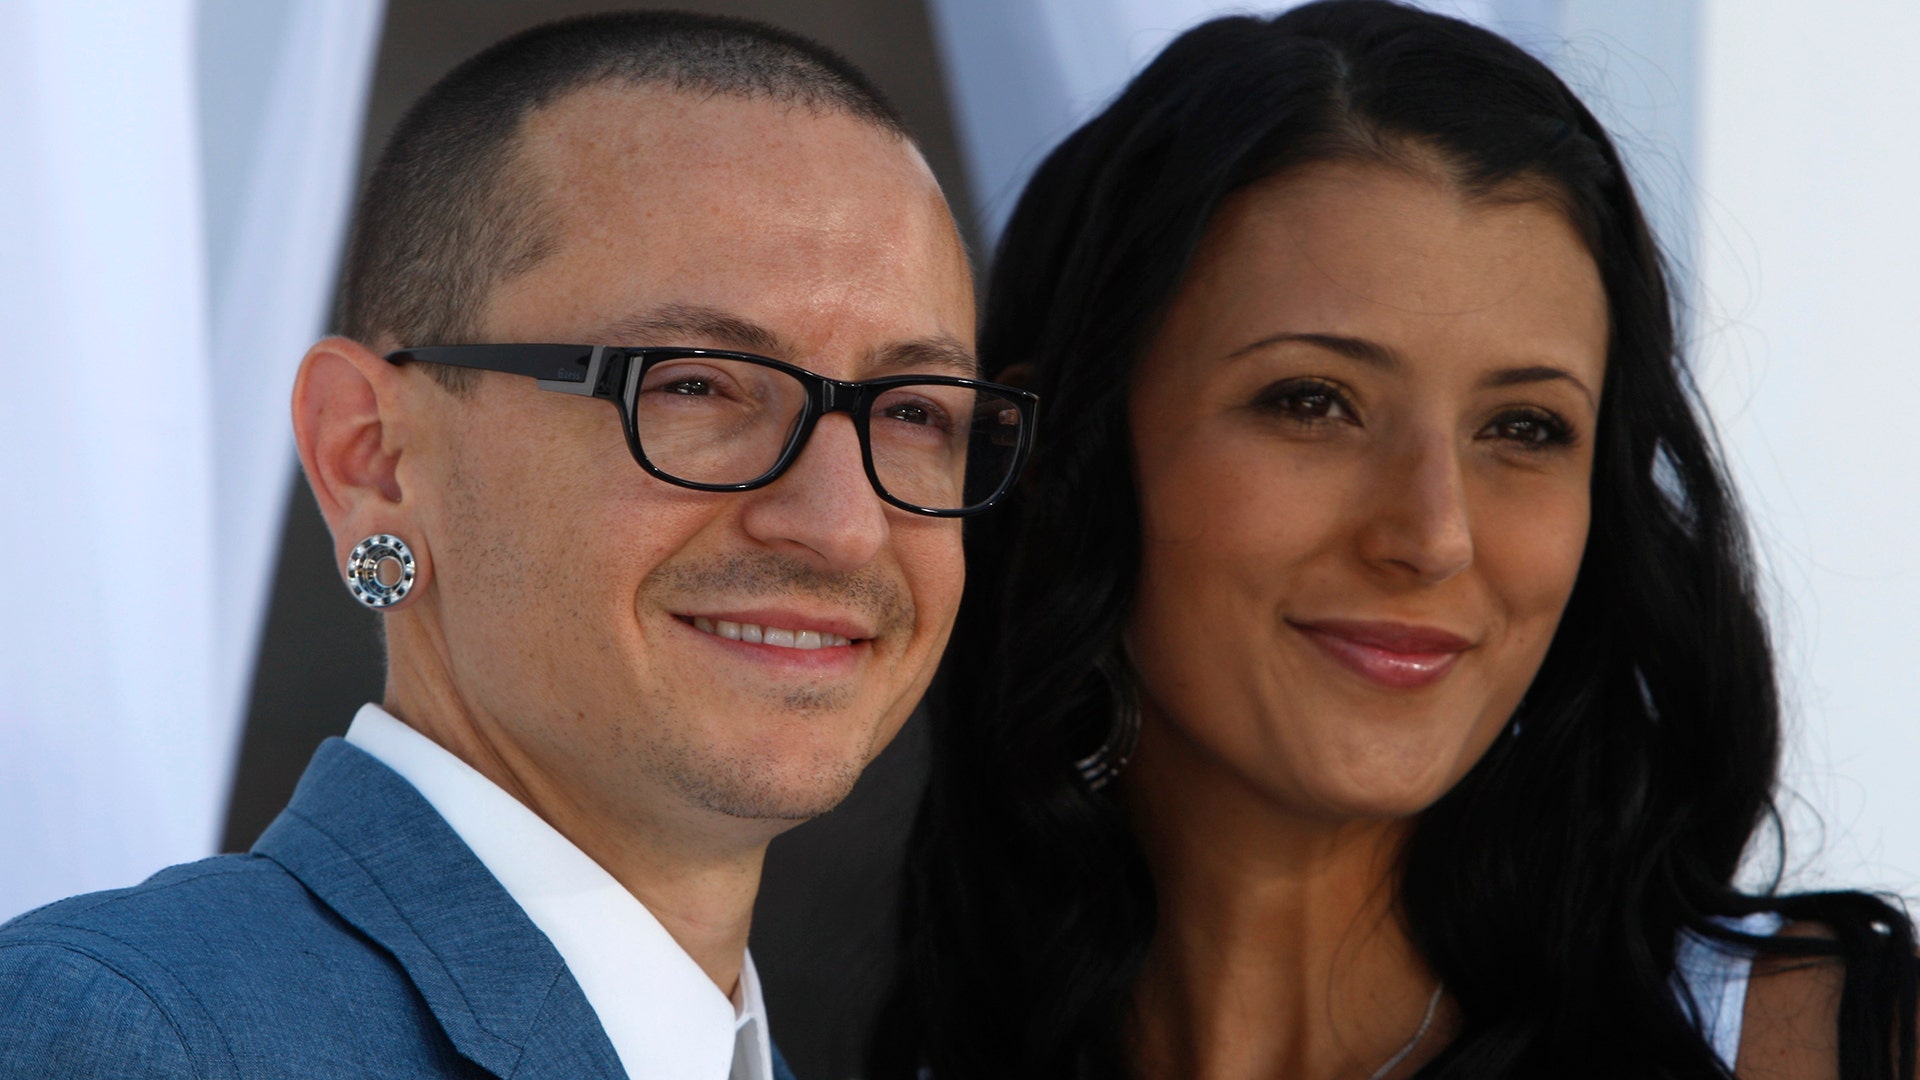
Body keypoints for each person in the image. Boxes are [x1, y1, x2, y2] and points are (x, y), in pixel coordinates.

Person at [881, 3, 1916, 1079]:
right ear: (1053, 456)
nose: (1435, 535)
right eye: (1313, 401)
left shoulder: (1824, 1047)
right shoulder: (919, 1046)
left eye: (1524, 428)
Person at [0, 12, 1034, 1080]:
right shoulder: (124, 1036)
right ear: (373, 459)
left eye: (913, 413)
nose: (840, 524)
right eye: (692, 385)